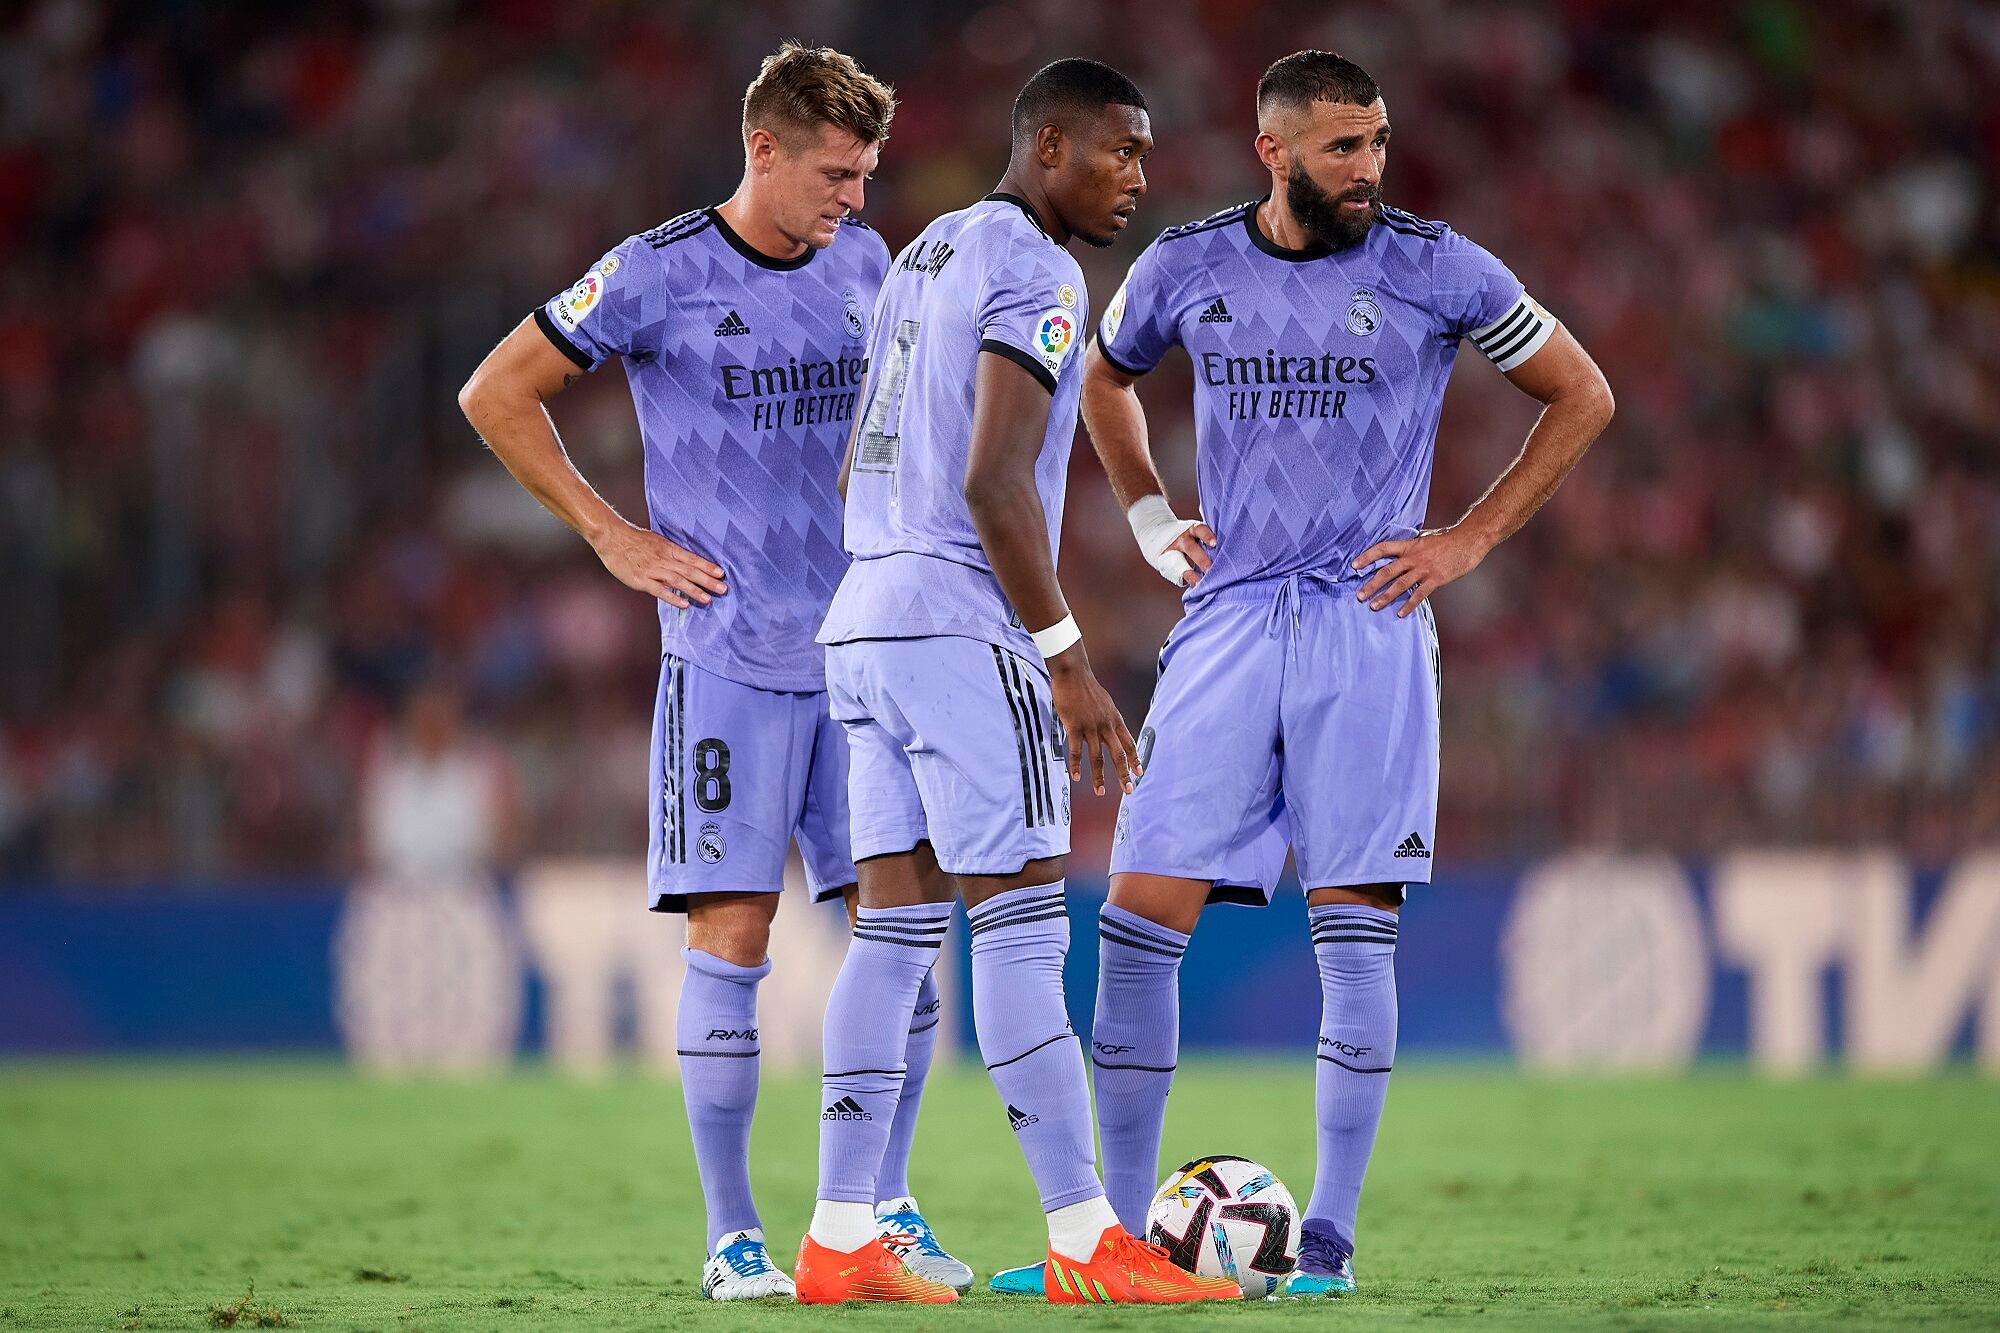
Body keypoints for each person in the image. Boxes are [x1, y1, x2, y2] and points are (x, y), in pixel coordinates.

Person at [1080, 49, 1615, 1297]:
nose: (1368, 167)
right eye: (1340, 147)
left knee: (1354, 933)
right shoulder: (1186, 265)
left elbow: (1578, 393)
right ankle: (1105, 1232)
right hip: (1223, 619)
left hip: (1364, 626)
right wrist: (1150, 514)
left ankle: (1324, 1238)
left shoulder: (1437, 267)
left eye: (1375, 141)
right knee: (1132, 921)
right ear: (1271, 151)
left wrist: (1466, 537)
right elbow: (1104, 380)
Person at [457, 43, 971, 1301]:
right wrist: (612, 535)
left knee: (902, 931)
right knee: (733, 938)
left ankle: (881, 1207)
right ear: (763, 151)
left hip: (860, 656)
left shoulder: (866, 265)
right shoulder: (655, 272)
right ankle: (735, 1235)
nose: (854, 199)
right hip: (728, 660)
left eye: (865, 176)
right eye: (836, 174)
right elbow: (495, 391)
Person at [792, 59, 1238, 1306]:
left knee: (890, 937)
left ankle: (837, 1234)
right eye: (1119, 153)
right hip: (952, 626)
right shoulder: (1037, 271)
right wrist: (1067, 661)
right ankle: (1085, 1233)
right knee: (1025, 923)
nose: (1137, 182)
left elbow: (854, 465)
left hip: (865, 614)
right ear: (1048, 146)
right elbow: (995, 481)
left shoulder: (923, 249)